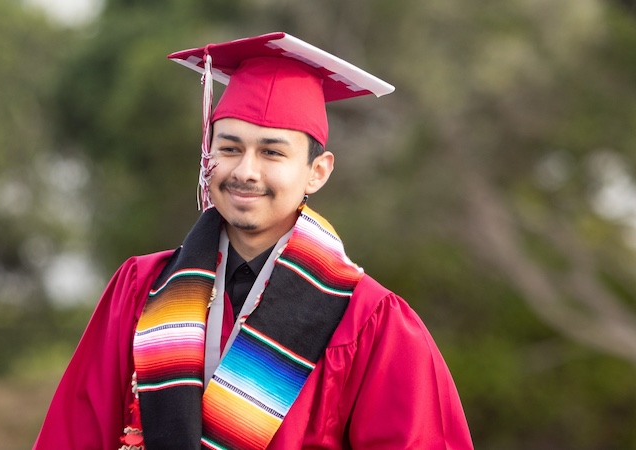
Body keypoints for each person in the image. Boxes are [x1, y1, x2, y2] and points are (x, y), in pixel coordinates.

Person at [34, 32, 473, 450]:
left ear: (317, 172)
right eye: (229, 148)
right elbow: (75, 433)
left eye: (272, 152)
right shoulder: (142, 288)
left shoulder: (369, 321)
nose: (245, 171)